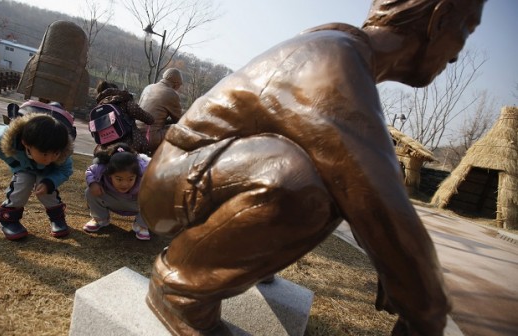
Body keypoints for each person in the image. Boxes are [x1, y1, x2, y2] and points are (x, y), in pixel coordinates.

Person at [137, 0, 486, 335]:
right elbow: (374, 191)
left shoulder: (344, 56)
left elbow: (375, 181)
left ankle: (230, 259)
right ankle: (180, 288)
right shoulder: (330, 60)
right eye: (466, 29)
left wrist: (396, 260)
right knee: (302, 183)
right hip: (171, 184)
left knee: (327, 176)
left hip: (202, 174)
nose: (456, 55)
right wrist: (427, 305)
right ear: (439, 19)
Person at [0, 113, 74, 240]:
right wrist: (13, 163)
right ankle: (9, 220)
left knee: (46, 188)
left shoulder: (63, 152)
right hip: (25, 168)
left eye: (55, 153)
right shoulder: (9, 138)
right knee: (22, 183)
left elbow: (65, 171)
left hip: (48, 172)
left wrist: (49, 183)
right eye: (44, 154)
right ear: (26, 144)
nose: (50, 159)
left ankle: (57, 218)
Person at [83, 142, 151, 240]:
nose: (124, 184)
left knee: (156, 199)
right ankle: (100, 219)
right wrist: (93, 183)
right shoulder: (103, 167)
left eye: (130, 179)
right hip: (111, 198)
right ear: (109, 174)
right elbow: (90, 171)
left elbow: (161, 179)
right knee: (89, 191)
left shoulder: (146, 171)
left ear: (137, 174)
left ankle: (141, 225)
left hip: (136, 203)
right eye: (119, 179)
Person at [95, 81, 155, 154]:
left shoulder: (99, 107)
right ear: (116, 90)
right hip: (129, 144)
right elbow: (138, 112)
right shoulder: (123, 100)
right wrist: (151, 119)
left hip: (106, 147)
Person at [136, 68, 184, 153]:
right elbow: (180, 120)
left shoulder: (148, 87)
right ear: (176, 84)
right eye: (180, 85)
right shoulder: (171, 94)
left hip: (136, 132)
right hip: (151, 137)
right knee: (180, 132)